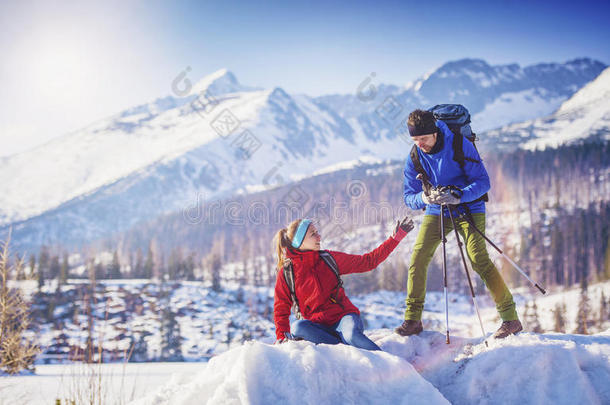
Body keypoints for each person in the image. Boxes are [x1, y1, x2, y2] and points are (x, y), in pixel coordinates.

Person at [396, 109, 522, 339]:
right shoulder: (415, 155)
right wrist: (425, 198)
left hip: (469, 207)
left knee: (478, 258)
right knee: (419, 257)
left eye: (423, 138)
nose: (420, 144)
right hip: (437, 209)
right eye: (415, 140)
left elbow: (483, 182)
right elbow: (408, 197)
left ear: (435, 132)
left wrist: (458, 195)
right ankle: (413, 320)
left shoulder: (459, 144)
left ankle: (510, 319)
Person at [273, 217, 414, 350]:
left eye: (317, 232)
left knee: (351, 335)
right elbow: (281, 308)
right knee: (298, 327)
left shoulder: (328, 259)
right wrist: (281, 336)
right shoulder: (287, 272)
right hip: (317, 327)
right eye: (313, 234)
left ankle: (389, 366)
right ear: (300, 242)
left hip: (343, 319)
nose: (319, 236)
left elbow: (368, 262)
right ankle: (343, 349)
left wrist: (394, 239)